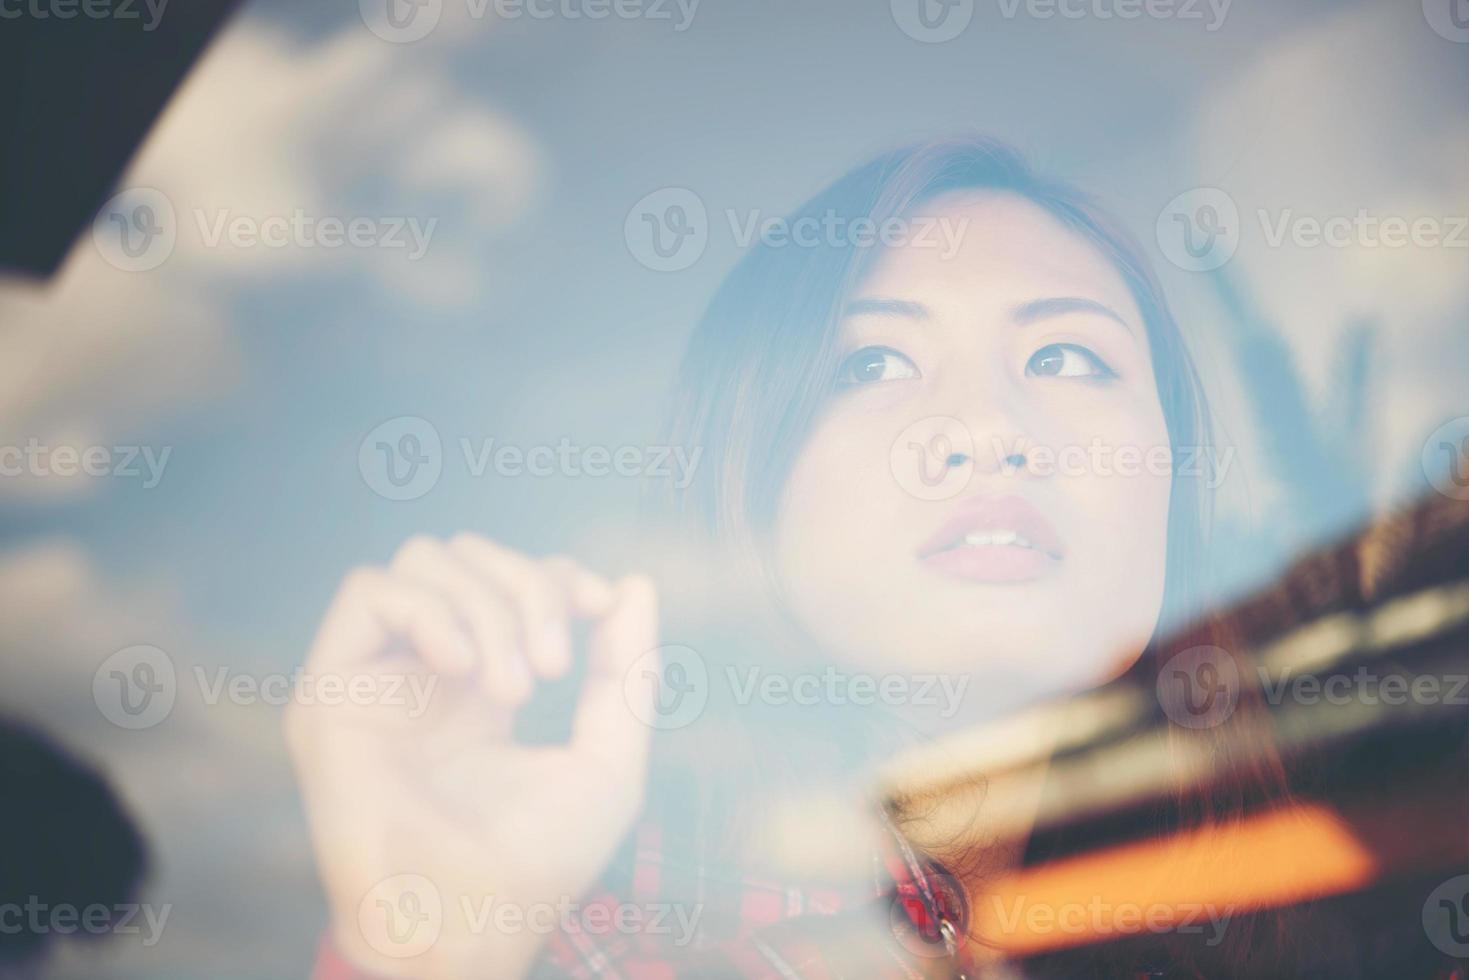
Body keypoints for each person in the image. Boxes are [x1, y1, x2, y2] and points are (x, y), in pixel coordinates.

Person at [289, 136, 1341, 978]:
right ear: (747, 482)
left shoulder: (1358, 903)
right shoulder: (578, 943)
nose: (984, 424)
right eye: (871, 359)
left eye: (1065, 355)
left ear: (1171, 476)